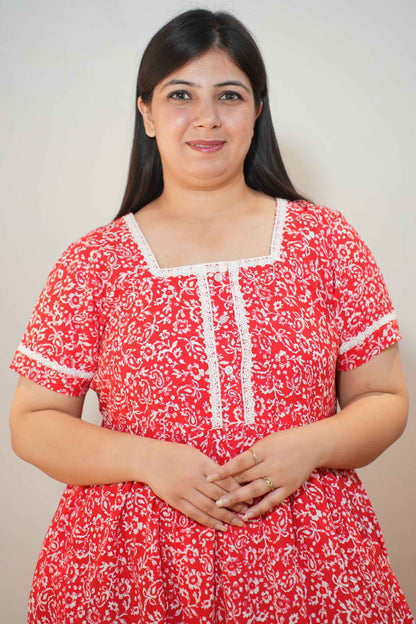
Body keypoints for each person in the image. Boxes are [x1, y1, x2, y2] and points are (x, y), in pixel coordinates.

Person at [9, 8, 414, 624]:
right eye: (180, 95)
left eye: (229, 95)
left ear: (257, 110)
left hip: (310, 558)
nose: (207, 117)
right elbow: (33, 422)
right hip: (130, 565)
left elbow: (384, 397)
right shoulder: (95, 261)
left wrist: (312, 444)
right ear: (146, 113)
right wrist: (147, 460)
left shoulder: (326, 241)